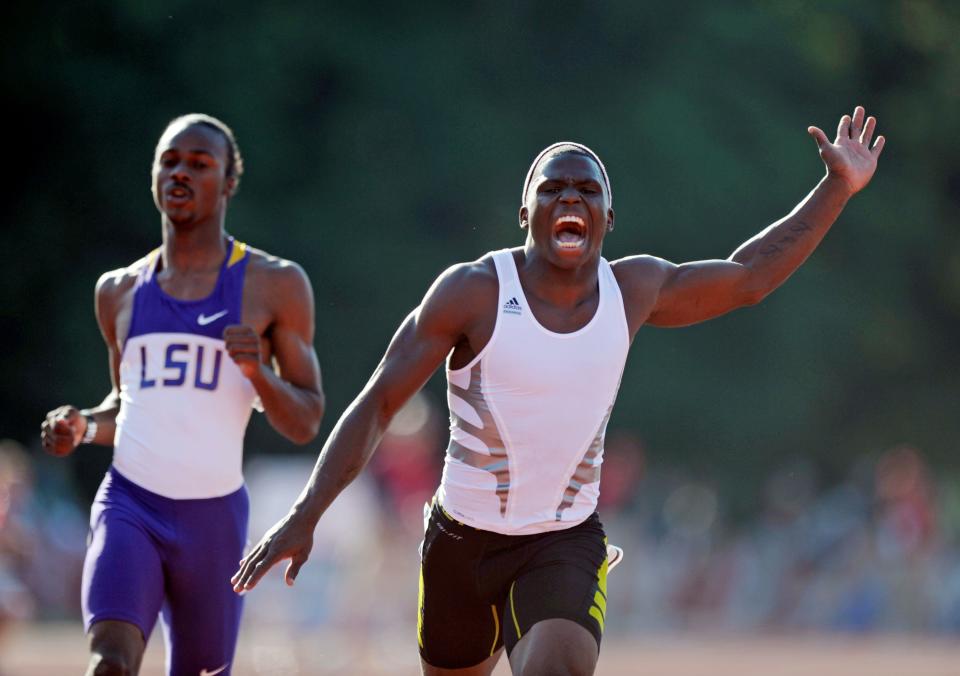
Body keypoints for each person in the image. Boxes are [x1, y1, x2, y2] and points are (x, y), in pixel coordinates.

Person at [232, 106, 884, 675]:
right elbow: (378, 405)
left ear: (608, 215)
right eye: (554, 189)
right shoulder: (472, 293)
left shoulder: (633, 291)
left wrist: (836, 187)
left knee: (558, 666)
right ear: (526, 212)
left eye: (586, 190)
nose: (570, 199)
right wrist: (306, 512)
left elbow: (747, 278)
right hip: (460, 542)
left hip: (563, 541)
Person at [40, 114, 325, 676]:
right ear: (153, 174)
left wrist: (259, 375)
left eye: (200, 164)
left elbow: (307, 419)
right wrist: (82, 427)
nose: (181, 173)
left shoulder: (275, 284)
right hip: (130, 505)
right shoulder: (118, 291)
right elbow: (129, 409)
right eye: (169, 161)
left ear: (228, 183)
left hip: (213, 521)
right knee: (111, 662)